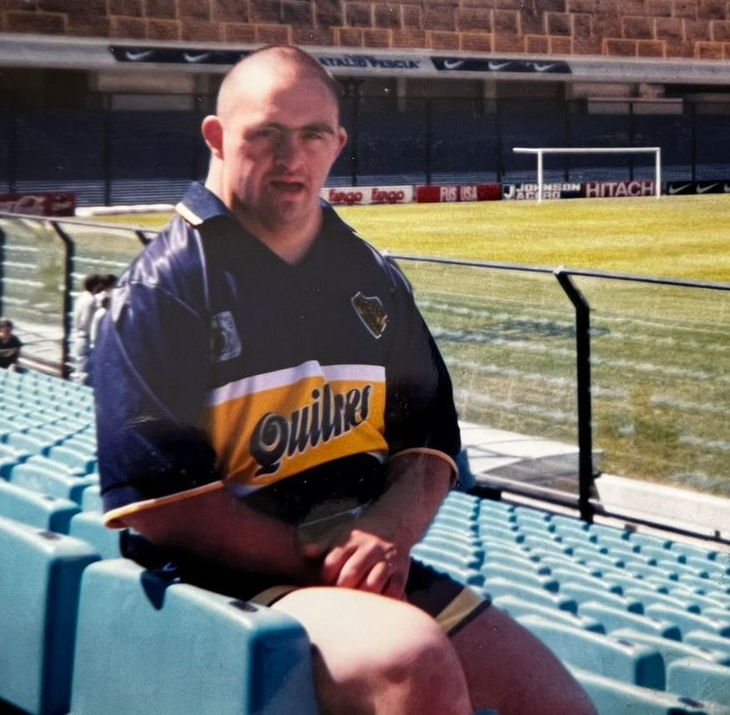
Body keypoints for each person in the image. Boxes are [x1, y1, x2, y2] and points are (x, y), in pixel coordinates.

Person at [93, 45, 595, 715]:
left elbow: (426, 443)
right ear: (216, 137)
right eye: (265, 132)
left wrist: (390, 529)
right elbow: (167, 509)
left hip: (357, 565)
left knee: (556, 702)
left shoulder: (370, 274)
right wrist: (328, 558)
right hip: (221, 582)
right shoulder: (165, 288)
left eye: (312, 135)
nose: (290, 156)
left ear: (338, 145)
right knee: (410, 662)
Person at [70, 273, 103, 383]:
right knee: (84, 374)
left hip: (78, 337)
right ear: (96, 285)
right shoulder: (91, 300)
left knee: (79, 370)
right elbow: (86, 321)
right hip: (85, 338)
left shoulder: (81, 297)